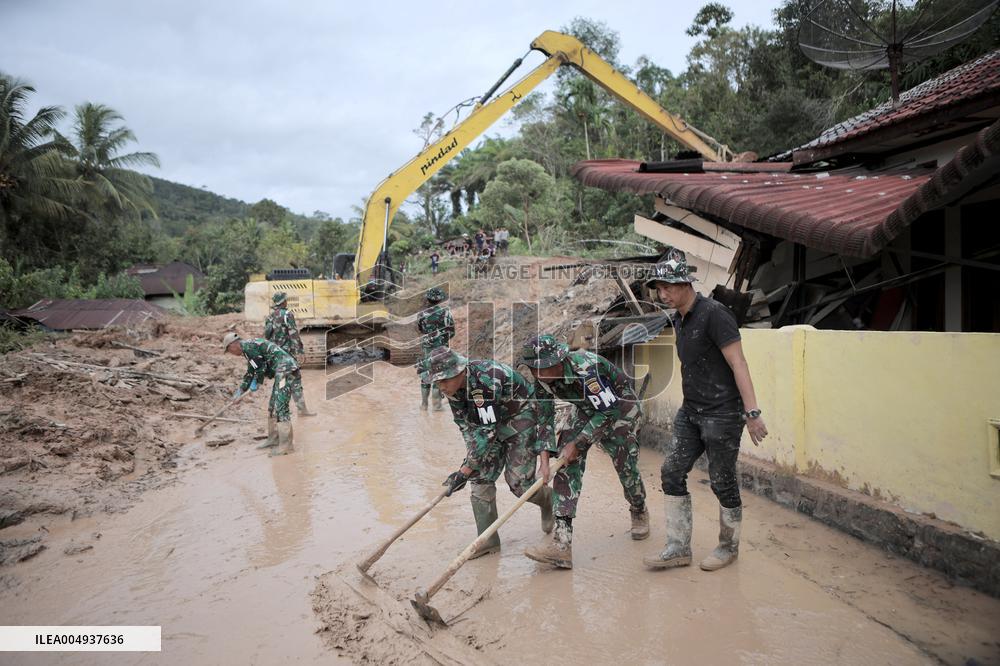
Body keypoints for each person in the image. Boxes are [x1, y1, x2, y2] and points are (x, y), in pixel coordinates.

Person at [642, 252, 767, 572]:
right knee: (671, 470)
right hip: (691, 411)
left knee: (721, 480)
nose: (663, 294)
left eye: (668, 287)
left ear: (686, 283)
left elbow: (738, 363)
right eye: (659, 288)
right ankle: (678, 547)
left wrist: (752, 413)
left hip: (723, 413)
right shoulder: (680, 318)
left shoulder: (715, 314)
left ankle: (728, 546)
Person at [521, 335, 649, 569]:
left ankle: (638, 508)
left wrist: (578, 443)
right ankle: (562, 545)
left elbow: (608, 411)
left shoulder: (586, 368)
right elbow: (544, 418)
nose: (541, 374)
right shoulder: (540, 378)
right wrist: (544, 460)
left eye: (546, 367)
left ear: (559, 360)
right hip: (586, 409)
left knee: (626, 468)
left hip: (620, 409)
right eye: (536, 370)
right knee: (565, 463)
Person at [428, 346, 554, 558]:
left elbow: (487, 432)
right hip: (490, 423)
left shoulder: (484, 382)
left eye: (444, 380)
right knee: (479, 478)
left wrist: (465, 470)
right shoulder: (453, 389)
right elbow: (467, 427)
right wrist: (468, 466)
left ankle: (548, 500)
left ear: (459, 372)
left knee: (518, 484)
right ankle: (488, 541)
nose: (441, 387)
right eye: (437, 382)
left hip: (521, 415)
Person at [223, 332, 303, 456]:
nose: (231, 354)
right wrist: (241, 390)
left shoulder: (249, 348)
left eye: (229, 351)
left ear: (233, 345)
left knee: (280, 407)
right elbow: (251, 371)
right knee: (272, 406)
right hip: (280, 372)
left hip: (285, 371)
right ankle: (274, 438)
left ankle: (287, 446)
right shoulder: (247, 350)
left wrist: (256, 382)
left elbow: (261, 368)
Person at [263, 292, 315, 416]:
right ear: (283, 302)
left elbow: (267, 337)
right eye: (286, 300)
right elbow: (293, 334)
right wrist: (300, 351)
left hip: (276, 356)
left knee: (282, 382)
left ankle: (275, 410)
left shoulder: (269, 317)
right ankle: (281, 410)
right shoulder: (287, 314)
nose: (287, 302)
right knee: (292, 381)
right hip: (287, 356)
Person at [417, 287, 455, 411]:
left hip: (426, 349)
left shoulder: (421, 314)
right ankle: (437, 406)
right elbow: (452, 332)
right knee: (438, 376)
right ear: (440, 300)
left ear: (428, 299)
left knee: (426, 375)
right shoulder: (446, 313)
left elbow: (421, 330)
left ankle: (424, 405)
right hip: (441, 349)